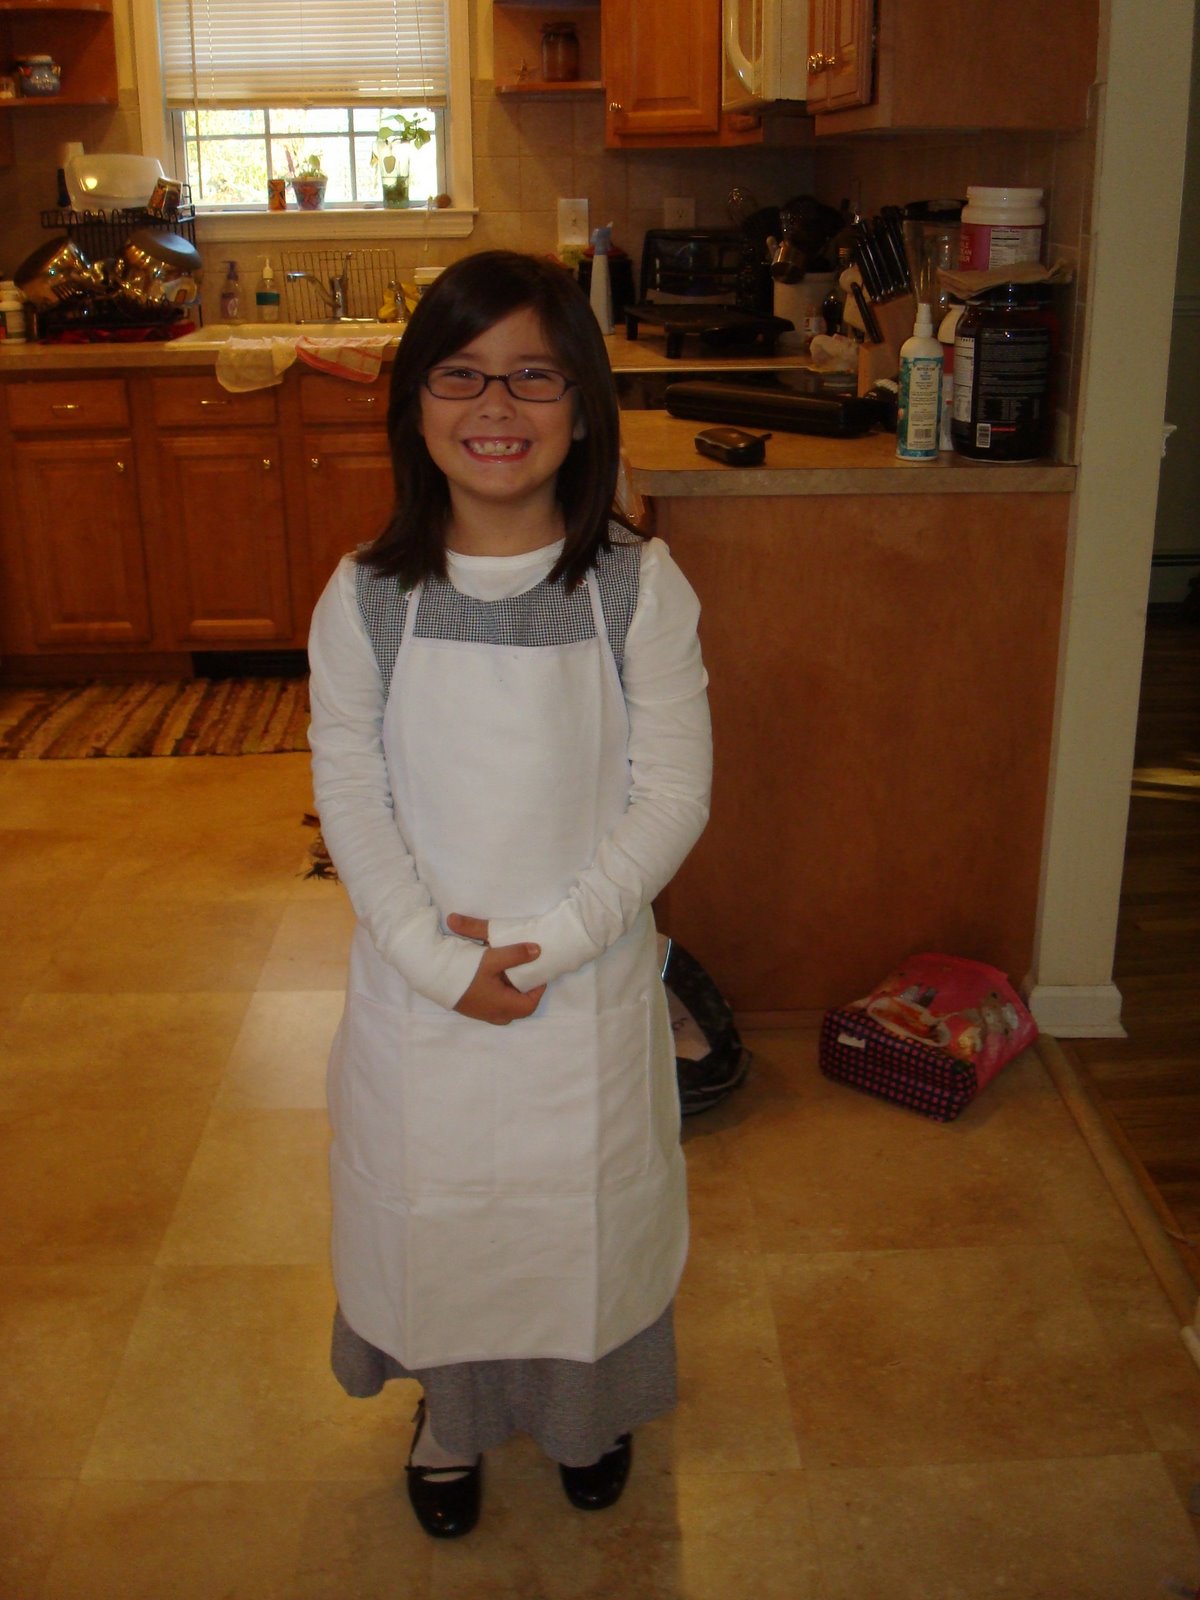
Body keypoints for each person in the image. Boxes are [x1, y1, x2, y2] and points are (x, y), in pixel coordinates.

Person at [307, 249, 712, 1539]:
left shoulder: (637, 586)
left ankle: (590, 1415)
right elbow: (351, 797)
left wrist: (551, 943)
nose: (497, 406)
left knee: (581, 1223)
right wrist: (438, 962)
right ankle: (450, 1417)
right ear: (415, 407)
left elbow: (672, 795)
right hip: (421, 992)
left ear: (583, 407)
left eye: (535, 376)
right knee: (445, 1231)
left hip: (582, 981)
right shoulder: (365, 597)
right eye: (461, 375)